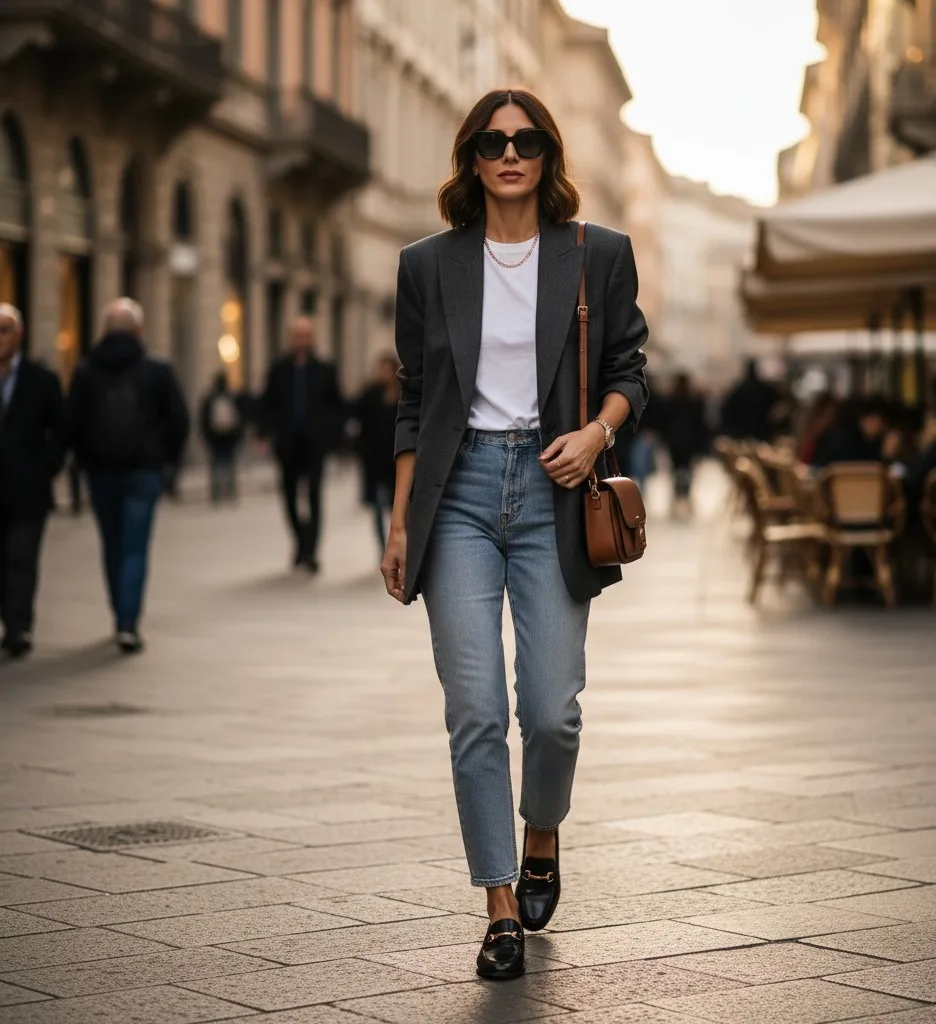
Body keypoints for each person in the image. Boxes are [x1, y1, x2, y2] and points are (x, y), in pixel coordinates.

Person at [380, 89, 648, 979]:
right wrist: (399, 519)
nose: (509, 154)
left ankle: (543, 835)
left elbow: (628, 374)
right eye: (493, 142)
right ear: (471, 158)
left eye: (526, 140)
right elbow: (414, 403)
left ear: (547, 156)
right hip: (454, 497)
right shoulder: (427, 264)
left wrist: (596, 432)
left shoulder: (594, 255)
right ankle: (499, 905)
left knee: (551, 711)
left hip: (552, 493)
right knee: (476, 713)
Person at [66, 298, 189, 654]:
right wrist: (168, 463)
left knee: (112, 544)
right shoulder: (156, 369)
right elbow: (179, 421)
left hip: (102, 471)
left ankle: (118, 610)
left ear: (104, 330)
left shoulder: (87, 370)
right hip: (143, 471)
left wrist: (82, 460)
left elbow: (71, 423)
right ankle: (127, 622)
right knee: (135, 547)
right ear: (139, 329)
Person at [0, 304, 65, 658]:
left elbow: (60, 430)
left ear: (19, 335)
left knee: (22, 559)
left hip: (28, 490)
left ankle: (18, 626)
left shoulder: (41, 380)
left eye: (5, 329)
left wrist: (45, 469)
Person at [259, 317, 344, 573]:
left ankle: (311, 551)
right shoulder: (279, 369)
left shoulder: (325, 370)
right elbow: (268, 404)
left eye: (306, 335)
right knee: (289, 497)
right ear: (290, 338)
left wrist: (332, 436)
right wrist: (264, 433)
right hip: (287, 444)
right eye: (297, 335)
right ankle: (300, 542)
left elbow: (336, 405)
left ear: (312, 338)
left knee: (315, 496)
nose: (301, 340)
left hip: (315, 444)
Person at [351, 353, 400, 555]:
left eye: (387, 369)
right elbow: (357, 422)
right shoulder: (369, 396)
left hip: (397, 462)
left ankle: (397, 543)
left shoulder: (404, 396)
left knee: (396, 508)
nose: (384, 374)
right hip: (376, 463)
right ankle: (384, 548)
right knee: (379, 507)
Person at [659, 372, 708, 516]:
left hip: (673, 441)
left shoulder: (668, 400)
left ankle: (676, 493)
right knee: (688, 469)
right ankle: (686, 493)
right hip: (690, 442)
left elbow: (662, 421)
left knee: (675, 469)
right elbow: (701, 424)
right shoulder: (695, 401)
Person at [200, 371, 246, 505]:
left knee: (221, 465)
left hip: (224, 437)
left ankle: (223, 493)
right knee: (224, 465)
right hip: (220, 437)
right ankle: (224, 493)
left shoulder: (220, 399)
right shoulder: (222, 399)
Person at [719, 358, 782, 441]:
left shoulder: (739, 388)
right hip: (761, 428)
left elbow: (727, 408)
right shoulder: (763, 388)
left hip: (743, 429)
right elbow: (779, 400)